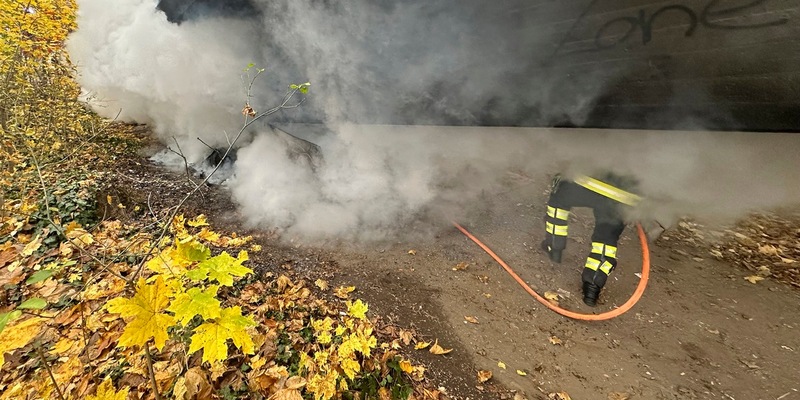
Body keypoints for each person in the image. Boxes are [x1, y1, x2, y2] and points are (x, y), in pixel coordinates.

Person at [541, 172, 643, 306]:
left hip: (588, 182)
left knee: (559, 196)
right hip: (624, 197)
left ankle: (554, 245)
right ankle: (592, 288)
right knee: (607, 237)